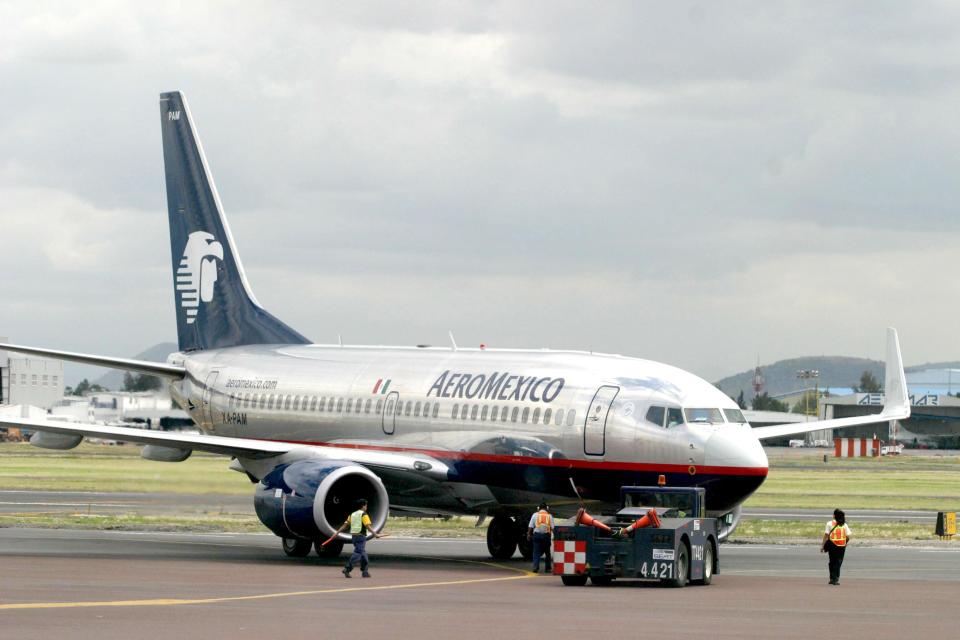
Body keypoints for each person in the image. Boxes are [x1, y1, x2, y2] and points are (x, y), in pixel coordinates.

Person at [340, 499, 381, 578]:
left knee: (363, 555)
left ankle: (365, 572)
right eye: (366, 505)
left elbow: (345, 525)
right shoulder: (364, 514)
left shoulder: (352, 514)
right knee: (358, 553)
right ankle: (347, 568)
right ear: (363, 506)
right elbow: (368, 526)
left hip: (354, 537)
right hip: (361, 537)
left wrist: (337, 532)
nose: (366, 507)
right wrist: (375, 534)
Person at [821, 508, 852, 585]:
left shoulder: (829, 523)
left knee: (832, 561)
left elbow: (826, 535)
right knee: (838, 562)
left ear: (834, 515)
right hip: (841, 546)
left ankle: (832, 578)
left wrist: (823, 545)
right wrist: (845, 542)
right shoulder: (844, 524)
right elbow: (848, 536)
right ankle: (835, 578)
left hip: (832, 545)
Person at [527, 502, 554, 573]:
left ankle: (535, 567)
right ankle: (548, 568)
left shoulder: (535, 515)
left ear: (538, 508)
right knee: (547, 553)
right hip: (546, 536)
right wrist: (556, 537)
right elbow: (553, 528)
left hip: (537, 535)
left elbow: (530, 526)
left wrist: (529, 535)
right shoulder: (549, 516)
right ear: (546, 508)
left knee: (536, 552)